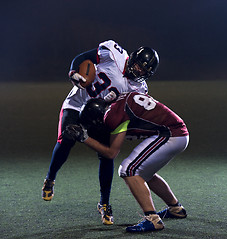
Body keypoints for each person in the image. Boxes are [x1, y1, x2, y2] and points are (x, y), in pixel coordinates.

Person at [42, 39, 160, 225]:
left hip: (100, 115)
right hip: (77, 103)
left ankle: (104, 203)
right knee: (66, 139)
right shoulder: (114, 53)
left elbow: (129, 113)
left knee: (107, 157)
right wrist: (74, 72)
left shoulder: (139, 89)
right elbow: (83, 58)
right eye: (138, 66)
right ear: (133, 59)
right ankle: (50, 178)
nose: (138, 72)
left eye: (143, 71)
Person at [63, 91, 189, 232]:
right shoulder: (117, 102)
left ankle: (152, 220)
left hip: (171, 134)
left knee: (128, 169)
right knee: (143, 173)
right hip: (174, 132)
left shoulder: (111, 116)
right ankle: (176, 209)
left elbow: (111, 153)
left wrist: (84, 138)